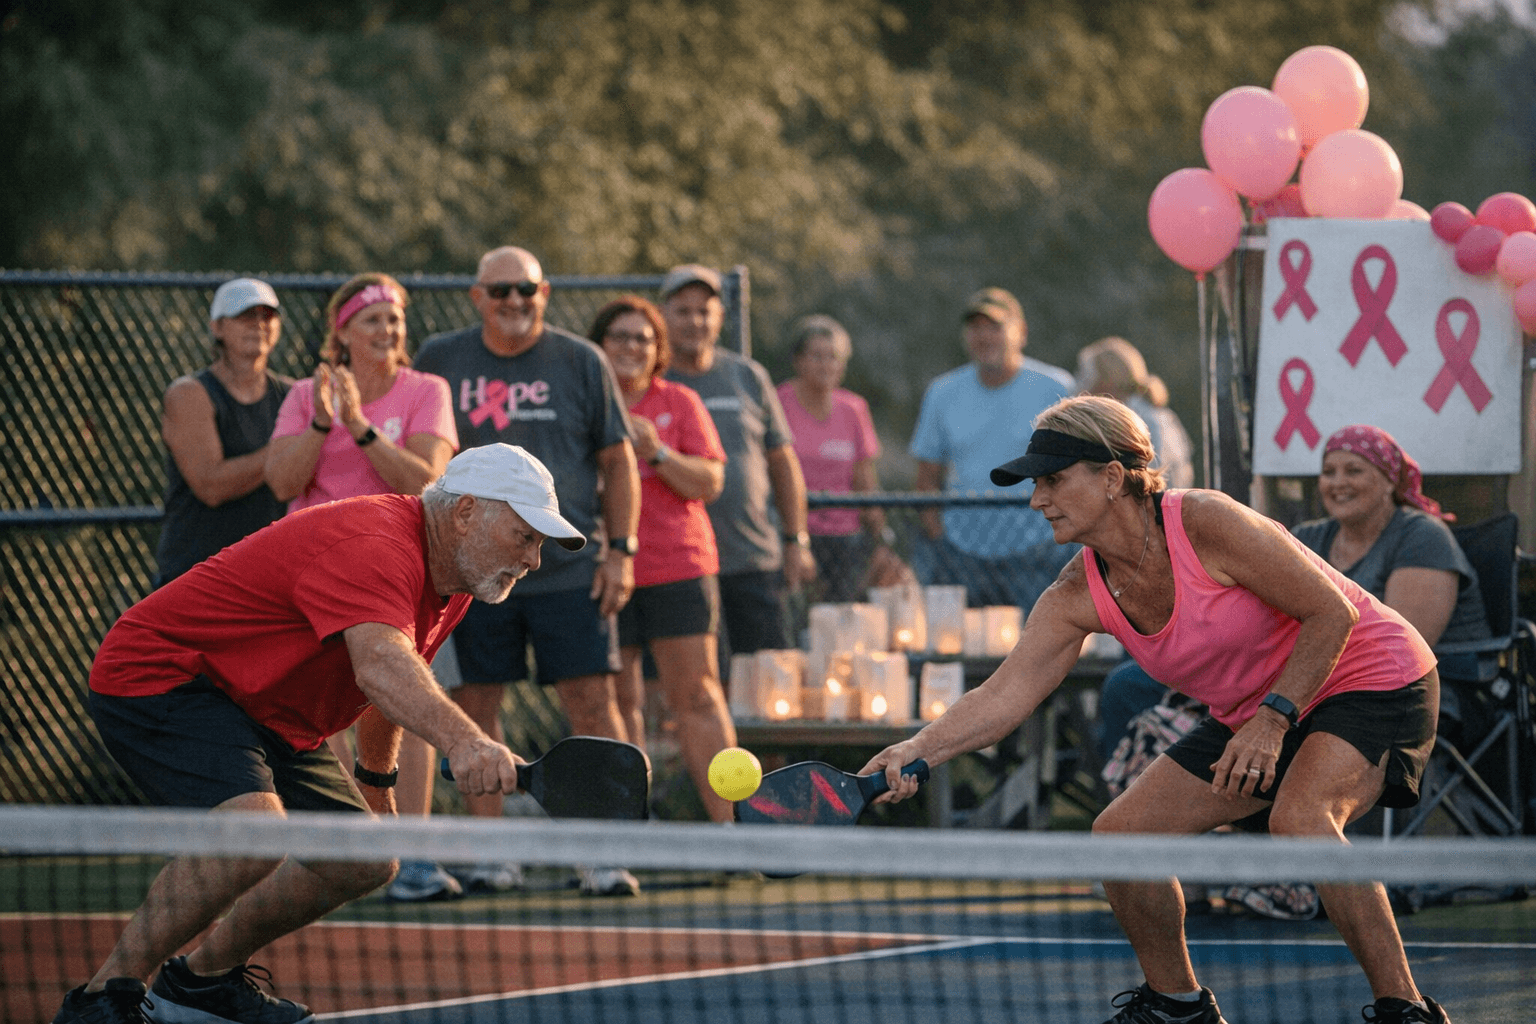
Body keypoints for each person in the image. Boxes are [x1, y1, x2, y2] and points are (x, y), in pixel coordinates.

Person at [864, 396, 1453, 1024]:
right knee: (1121, 838)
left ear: (1113, 477)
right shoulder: (1075, 593)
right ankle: (1178, 1006)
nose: (1039, 500)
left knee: (1302, 819)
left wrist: (1273, 720)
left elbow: (1333, 613)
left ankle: (1405, 1009)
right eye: (1037, 484)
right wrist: (915, 749)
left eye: (1055, 480)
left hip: (1369, 672)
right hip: (1257, 707)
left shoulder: (1206, 523)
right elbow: (1004, 695)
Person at [54, 444, 586, 1024]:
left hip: (272, 711)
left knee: (363, 860)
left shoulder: (453, 577)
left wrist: (377, 781)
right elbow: (381, 664)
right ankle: (103, 998)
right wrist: (465, 741)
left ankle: (202, 982)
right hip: (167, 675)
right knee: (255, 830)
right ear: (465, 513)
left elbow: (397, 674)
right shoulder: (376, 544)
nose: (534, 559)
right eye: (525, 536)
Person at [413, 246, 641, 898]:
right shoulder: (439, 358)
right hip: (470, 571)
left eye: (528, 290)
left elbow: (619, 462)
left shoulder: (580, 359)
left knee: (593, 705)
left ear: (544, 293)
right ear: (477, 296)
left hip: (568, 568)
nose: (516, 301)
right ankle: (494, 854)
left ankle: (605, 856)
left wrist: (621, 551)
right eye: (502, 290)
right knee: (475, 706)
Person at [263, 273, 459, 902]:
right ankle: (349, 853)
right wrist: (324, 423)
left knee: (403, 705)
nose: (387, 331)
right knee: (327, 717)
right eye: (372, 320)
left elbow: (429, 481)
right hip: (317, 576)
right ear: (341, 332)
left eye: (396, 320)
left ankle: (416, 856)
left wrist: (362, 426)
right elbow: (281, 481)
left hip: (403, 571)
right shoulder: (302, 394)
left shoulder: (426, 390)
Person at [591, 295, 736, 824]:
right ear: (600, 347)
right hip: (608, 571)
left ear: (658, 351)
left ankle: (732, 829)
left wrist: (658, 452)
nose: (631, 347)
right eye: (620, 337)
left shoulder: (680, 401)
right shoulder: (588, 403)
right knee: (618, 702)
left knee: (697, 699)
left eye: (643, 339)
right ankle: (631, 830)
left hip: (680, 566)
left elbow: (712, 481)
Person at [660, 264, 815, 660]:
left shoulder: (747, 375)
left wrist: (796, 540)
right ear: (663, 315)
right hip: (681, 564)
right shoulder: (652, 380)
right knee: (693, 682)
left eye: (704, 310)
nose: (695, 321)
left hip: (752, 558)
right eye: (683, 310)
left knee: (766, 677)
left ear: (720, 318)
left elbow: (782, 464)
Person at [909, 287, 1075, 609]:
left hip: (1038, 553)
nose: (984, 337)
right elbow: (926, 477)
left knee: (1038, 653)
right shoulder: (942, 392)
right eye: (975, 328)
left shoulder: (1057, 388)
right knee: (963, 654)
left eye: (995, 327)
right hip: (961, 556)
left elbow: (1078, 470)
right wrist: (940, 537)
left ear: (1021, 332)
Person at [153, 278, 290, 586]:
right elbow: (210, 485)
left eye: (267, 315)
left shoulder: (294, 394)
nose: (258, 324)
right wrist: (288, 450)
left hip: (268, 575)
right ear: (217, 328)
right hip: (195, 573)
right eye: (245, 315)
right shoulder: (189, 394)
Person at [776, 314, 905, 602]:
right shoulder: (778, 404)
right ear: (798, 361)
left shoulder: (853, 409)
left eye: (833, 357)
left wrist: (881, 538)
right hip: (794, 535)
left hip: (845, 540)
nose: (825, 365)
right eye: (816, 356)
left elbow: (864, 479)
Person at [1076, 335, 1195, 489]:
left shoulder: (1142, 421)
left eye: (1087, 377)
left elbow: (1147, 485)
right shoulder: (1152, 414)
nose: (1081, 389)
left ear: (1107, 381)